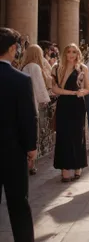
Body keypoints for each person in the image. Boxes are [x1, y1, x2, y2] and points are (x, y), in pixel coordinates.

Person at [0, 28, 37, 242]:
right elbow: (27, 117)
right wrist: (31, 148)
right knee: (18, 204)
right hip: (13, 152)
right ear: (13, 48)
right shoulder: (20, 80)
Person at [52, 44, 89, 182]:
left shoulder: (83, 68)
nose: (71, 55)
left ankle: (78, 166)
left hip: (78, 105)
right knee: (63, 136)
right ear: (64, 53)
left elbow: (88, 88)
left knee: (77, 134)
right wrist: (72, 92)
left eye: (74, 52)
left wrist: (82, 92)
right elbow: (55, 89)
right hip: (64, 104)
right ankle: (65, 168)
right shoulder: (57, 68)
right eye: (68, 51)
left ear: (78, 53)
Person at [21, 44, 51, 175]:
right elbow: (38, 86)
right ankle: (31, 164)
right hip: (33, 105)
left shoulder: (23, 67)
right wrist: (45, 99)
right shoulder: (35, 67)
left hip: (23, 105)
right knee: (34, 134)